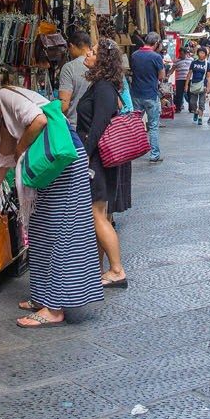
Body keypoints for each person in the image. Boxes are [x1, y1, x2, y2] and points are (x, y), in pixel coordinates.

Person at [0, 78, 103, 326]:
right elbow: (0, 169)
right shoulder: (2, 117)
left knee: (59, 233)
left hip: (64, 165)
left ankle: (54, 308)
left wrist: (20, 148)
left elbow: (40, 120)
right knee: (41, 232)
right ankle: (42, 296)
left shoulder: (5, 96)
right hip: (52, 167)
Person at [75, 39, 129, 288]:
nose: (88, 53)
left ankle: (117, 270)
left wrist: (85, 154)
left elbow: (98, 126)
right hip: (97, 156)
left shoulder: (104, 87)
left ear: (103, 61)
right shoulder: (100, 85)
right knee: (98, 214)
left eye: (94, 52)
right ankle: (96, 270)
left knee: (96, 215)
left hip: (98, 158)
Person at [130, 32, 165, 162]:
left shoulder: (134, 55)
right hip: (150, 94)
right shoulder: (156, 57)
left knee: (135, 124)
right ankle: (154, 154)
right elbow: (161, 76)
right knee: (153, 125)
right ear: (156, 43)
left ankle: (131, 151)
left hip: (136, 94)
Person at [56, 27, 93, 129]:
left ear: (71, 46)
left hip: (75, 125)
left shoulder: (69, 68)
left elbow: (64, 104)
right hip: (95, 125)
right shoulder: (100, 65)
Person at [186, 47, 209, 124]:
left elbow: (208, 76)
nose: (201, 54)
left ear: (205, 55)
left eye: (203, 53)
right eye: (200, 52)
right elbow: (189, 74)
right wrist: (186, 85)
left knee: (201, 103)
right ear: (198, 53)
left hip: (203, 85)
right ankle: (196, 112)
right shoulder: (194, 63)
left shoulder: (207, 64)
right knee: (192, 102)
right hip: (194, 84)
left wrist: (208, 87)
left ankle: (200, 118)